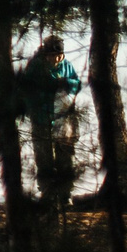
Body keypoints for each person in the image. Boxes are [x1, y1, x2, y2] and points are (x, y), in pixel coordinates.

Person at [19, 33, 84, 205]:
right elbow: (27, 90)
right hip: (41, 118)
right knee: (44, 157)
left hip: (63, 119)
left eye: (59, 55)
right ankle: (47, 194)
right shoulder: (35, 67)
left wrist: (66, 83)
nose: (57, 58)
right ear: (45, 54)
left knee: (65, 157)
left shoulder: (67, 65)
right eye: (53, 55)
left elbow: (77, 83)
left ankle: (65, 194)